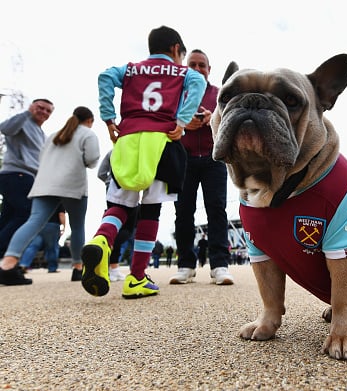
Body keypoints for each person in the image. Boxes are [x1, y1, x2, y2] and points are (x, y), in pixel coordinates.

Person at [80, 25, 206, 299]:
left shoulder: (130, 69)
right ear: (175, 49)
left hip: (127, 139)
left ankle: (102, 240)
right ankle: (137, 278)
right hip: (161, 141)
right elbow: (198, 82)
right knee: (150, 211)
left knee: (119, 206)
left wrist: (109, 117)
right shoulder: (181, 72)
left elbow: (105, 76)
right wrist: (182, 122)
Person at [0, 106, 100, 285]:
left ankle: (8, 264)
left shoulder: (53, 135)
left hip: (44, 184)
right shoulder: (88, 134)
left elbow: (41, 159)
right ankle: (77, 268)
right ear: (90, 121)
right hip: (72, 184)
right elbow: (92, 160)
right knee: (77, 227)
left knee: (34, 221)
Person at [169, 49, 234, 285]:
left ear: (209, 69)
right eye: (192, 65)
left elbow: (232, 123)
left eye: (202, 65)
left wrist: (211, 118)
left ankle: (220, 264)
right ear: (185, 68)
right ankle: (185, 264)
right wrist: (184, 123)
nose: (197, 69)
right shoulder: (175, 93)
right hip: (183, 158)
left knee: (217, 209)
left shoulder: (220, 95)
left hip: (213, 158)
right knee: (183, 211)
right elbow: (166, 121)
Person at [0, 98, 54, 259]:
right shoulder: (23, 121)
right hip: (16, 174)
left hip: (28, 177)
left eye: (48, 111)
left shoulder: (41, 134)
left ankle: (5, 261)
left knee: (8, 217)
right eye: (40, 108)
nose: (43, 112)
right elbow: (5, 128)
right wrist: (26, 113)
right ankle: (5, 255)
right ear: (32, 107)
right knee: (26, 215)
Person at [96, 150, 134, 282]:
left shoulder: (112, 152)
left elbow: (100, 173)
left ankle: (113, 267)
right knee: (126, 230)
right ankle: (110, 264)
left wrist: (108, 180)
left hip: (111, 188)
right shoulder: (135, 147)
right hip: (131, 187)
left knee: (114, 224)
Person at [18, 204, 65, 273]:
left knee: (33, 246)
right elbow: (61, 214)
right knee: (52, 248)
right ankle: (52, 268)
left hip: (38, 224)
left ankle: (23, 264)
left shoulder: (39, 199)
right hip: (52, 225)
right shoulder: (58, 201)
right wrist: (64, 226)